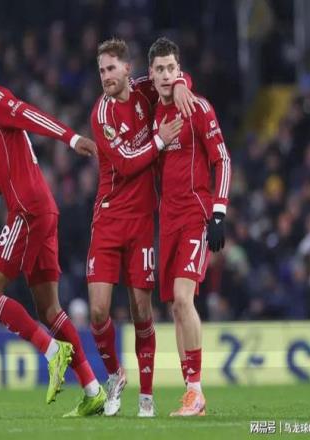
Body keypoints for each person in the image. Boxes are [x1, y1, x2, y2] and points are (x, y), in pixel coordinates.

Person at [0, 39, 105, 415]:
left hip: (27, 212)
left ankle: (51, 352)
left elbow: (31, 114)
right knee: (50, 309)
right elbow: (6, 178)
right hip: (42, 209)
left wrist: (72, 138)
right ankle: (93, 389)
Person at [88, 38, 197, 417]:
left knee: (141, 310)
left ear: (127, 70)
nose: (105, 76)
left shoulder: (143, 92)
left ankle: (146, 398)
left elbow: (171, 77)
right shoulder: (101, 114)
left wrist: (182, 84)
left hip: (141, 222)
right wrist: (159, 140)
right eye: (101, 70)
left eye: (111, 69)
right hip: (107, 219)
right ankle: (115, 375)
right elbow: (125, 163)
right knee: (98, 311)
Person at [149, 37, 231, 416]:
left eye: (172, 69)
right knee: (175, 308)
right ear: (151, 74)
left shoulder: (197, 108)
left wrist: (219, 212)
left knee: (184, 298)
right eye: (160, 69)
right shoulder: (152, 112)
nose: (167, 75)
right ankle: (190, 393)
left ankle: (197, 391)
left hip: (196, 215)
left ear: (179, 70)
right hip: (166, 220)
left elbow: (222, 160)